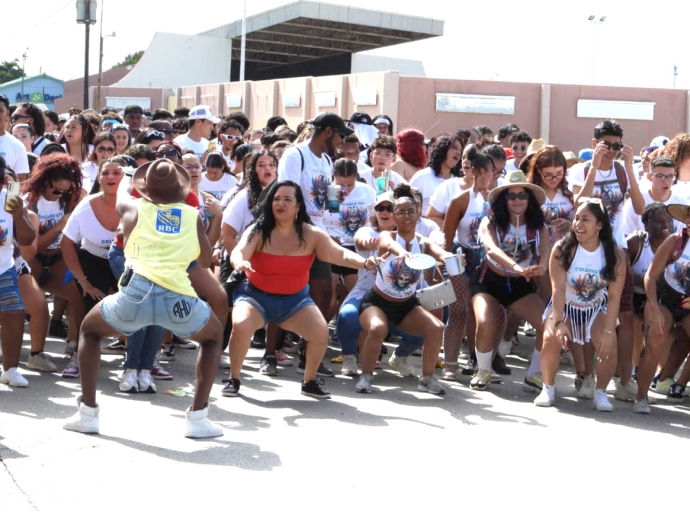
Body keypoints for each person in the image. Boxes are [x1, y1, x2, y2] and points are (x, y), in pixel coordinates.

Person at [63, 159, 224, 437]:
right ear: (180, 190)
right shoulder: (192, 215)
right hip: (178, 298)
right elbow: (206, 259)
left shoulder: (130, 206)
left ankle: (88, 414)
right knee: (212, 338)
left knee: (89, 331)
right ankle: (197, 418)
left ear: (145, 188)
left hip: (135, 294)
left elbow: (122, 196)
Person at [224, 180, 379, 399]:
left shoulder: (311, 234)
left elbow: (340, 254)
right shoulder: (258, 230)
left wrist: (364, 263)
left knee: (319, 331)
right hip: (255, 296)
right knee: (240, 325)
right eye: (276, 199)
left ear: (298, 207)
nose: (280, 203)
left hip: (294, 300)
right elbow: (238, 251)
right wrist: (239, 262)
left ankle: (309, 381)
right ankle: (234, 378)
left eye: (287, 199)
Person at [277, 112, 354, 376]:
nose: (343, 142)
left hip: (318, 235)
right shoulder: (294, 155)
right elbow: (285, 193)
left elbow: (325, 201)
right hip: (294, 234)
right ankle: (269, 354)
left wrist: (335, 204)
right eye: (341, 135)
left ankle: (307, 354)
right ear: (328, 132)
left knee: (322, 293)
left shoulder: (326, 159)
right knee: (283, 293)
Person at [356, 184, 450, 394]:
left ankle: (426, 378)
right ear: (394, 216)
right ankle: (366, 376)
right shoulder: (387, 236)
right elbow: (391, 245)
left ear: (418, 213)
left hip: (406, 306)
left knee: (436, 327)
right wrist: (403, 253)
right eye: (400, 212)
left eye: (410, 211)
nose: (406, 216)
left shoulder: (422, 242)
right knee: (378, 328)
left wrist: (451, 258)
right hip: (376, 303)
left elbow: (439, 252)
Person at [536, 198, 626, 410]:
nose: (577, 224)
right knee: (550, 338)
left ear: (600, 225)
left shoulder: (615, 255)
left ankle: (601, 392)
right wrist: (558, 322)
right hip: (565, 305)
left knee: (609, 345)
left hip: (595, 307)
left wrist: (609, 331)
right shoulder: (562, 249)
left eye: (585, 219)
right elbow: (557, 289)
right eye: (576, 218)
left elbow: (614, 297)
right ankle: (547, 388)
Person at [470, 170, 551, 391]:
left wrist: (541, 267)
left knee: (547, 325)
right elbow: (492, 249)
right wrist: (516, 267)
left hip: (521, 284)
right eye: (511, 196)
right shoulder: (491, 221)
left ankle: (534, 374)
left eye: (522, 195)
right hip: (490, 279)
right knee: (486, 322)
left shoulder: (539, 226)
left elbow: (545, 253)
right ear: (503, 200)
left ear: (530, 199)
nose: (517, 200)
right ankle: (483, 370)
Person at [60, 158, 123, 385]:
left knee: (138, 305)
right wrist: (83, 281)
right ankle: (78, 357)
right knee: (89, 305)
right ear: (99, 178)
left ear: (125, 178)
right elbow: (66, 243)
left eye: (117, 172)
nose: (111, 177)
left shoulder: (135, 204)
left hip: (125, 260)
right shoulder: (86, 205)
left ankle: (143, 363)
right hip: (92, 259)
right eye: (106, 173)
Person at [22, 154, 87, 371]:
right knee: (37, 305)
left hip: (58, 257)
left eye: (66, 190)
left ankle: (78, 348)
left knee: (80, 297)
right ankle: (30, 352)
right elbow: (34, 247)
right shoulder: (29, 201)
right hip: (31, 258)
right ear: (44, 180)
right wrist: (59, 225)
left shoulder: (71, 199)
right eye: (56, 190)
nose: (60, 194)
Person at [440, 151, 495, 380]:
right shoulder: (461, 199)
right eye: (492, 171)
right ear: (482, 172)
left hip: (482, 258)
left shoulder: (491, 199)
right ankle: (450, 364)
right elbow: (446, 237)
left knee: (481, 310)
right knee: (458, 310)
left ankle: (476, 360)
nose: (494, 176)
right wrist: (446, 263)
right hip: (459, 255)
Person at [0, 165, 37, 386]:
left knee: (14, 312)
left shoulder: (11, 200)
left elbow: (26, 239)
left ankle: (10, 370)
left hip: (3, 268)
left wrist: (18, 214)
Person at [409, 135, 463, 215]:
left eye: (460, 151)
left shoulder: (458, 182)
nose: (458, 153)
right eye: (454, 147)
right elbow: (408, 205)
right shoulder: (422, 177)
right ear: (442, 149)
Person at [0, 94, 30, 180]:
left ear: (7, 113)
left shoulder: (17, 146)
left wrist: (6, 193)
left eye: (0, 110)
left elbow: (19, 182)